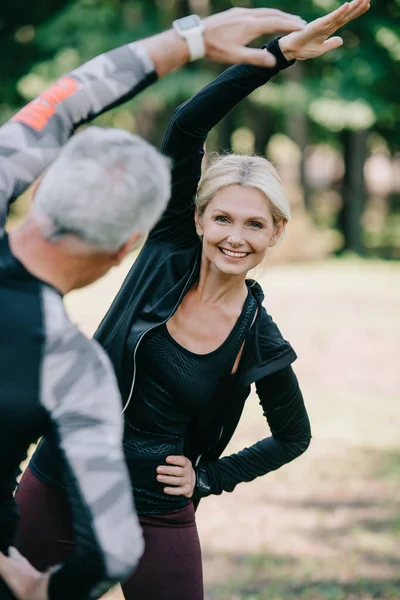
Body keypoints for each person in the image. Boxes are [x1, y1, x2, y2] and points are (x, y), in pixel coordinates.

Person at [11, 1, 370, 600]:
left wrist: (209, 478)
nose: (236, 236)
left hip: (156, 508)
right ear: (199, 219)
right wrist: (275, 57)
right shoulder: (170, 250)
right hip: (63, 477)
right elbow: (185, 128)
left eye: (255, 225)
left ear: (276, 234)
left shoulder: (260, 337)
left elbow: (293, 436)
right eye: (223, 217)